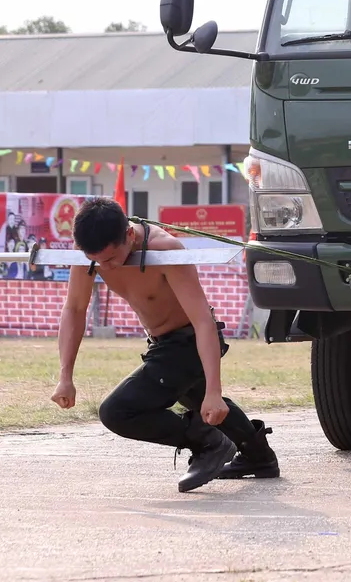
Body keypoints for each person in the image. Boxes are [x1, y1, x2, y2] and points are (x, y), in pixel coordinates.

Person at [51, 197, 278, 492]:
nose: (103, 267)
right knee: (201, 401)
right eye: (96, 260)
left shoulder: (165, 251)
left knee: (117, 411)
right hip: (161, 342)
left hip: (189, 342)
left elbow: (201, 321)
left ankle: (208, 441)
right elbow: (74, 309)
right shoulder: (91, 253)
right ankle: (259, 457)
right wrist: (65, 376)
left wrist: (215, 390)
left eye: (109, 259)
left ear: (129, 236)